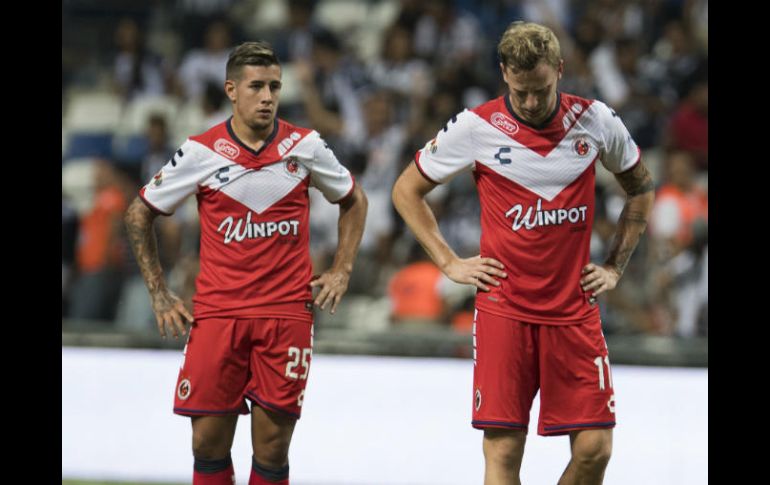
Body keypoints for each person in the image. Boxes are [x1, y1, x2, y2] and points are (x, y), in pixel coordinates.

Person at [392, 21, 655, 485]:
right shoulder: (475, 127)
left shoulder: (595, 120)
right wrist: (449, 262)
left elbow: (641, 187)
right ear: (504, 75)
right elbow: (406, 190)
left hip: (574, 311)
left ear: (559, 69)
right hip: (504, 310)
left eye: (541, 90)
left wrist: (615, 266)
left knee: (596, 449)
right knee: (504, 451)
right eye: (520, 92)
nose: (531, 103)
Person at [124, 41, 367, 485]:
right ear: (231, 90)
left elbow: (354, 199)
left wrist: (342, 268)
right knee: (207, 444)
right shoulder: (201, 151)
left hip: (286, 314)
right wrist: (159, 294)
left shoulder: (304, 145)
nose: (268, 96)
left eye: (275, 86)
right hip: (219, 313)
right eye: (257, 86)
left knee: (272, 448)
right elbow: (139, 213)